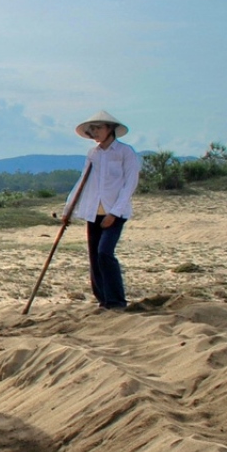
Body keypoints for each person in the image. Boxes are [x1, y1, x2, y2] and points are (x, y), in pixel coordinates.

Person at [67, 111, 141, 311]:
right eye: (93, 129)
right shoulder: (93, 153)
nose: (95, 132)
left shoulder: (125, 152)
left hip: (116, 212)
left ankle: (117, 301)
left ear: (110, 129)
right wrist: (68, 209)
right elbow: (83, 181)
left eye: (99, 128)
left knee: (105, 253)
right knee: (94, 257)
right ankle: (103, 300)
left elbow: (130, 184)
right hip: (94, 212)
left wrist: (114, 213)